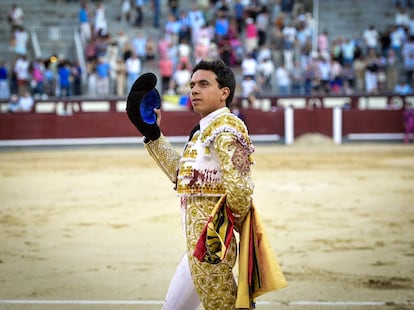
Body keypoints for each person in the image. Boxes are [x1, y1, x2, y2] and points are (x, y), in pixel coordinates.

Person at [126, 58, 287, 309]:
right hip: (198, 245)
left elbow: (241, 187)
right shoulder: (202, 132)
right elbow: (182, 177)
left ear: (224, 93)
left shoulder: (226, 127)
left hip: (211, 245)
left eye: (203, 84)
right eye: (192, 84)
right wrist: (153, 135)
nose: (194, 90)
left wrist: (224, 230)